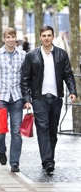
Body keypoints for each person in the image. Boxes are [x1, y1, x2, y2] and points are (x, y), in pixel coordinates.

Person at [21, 25, 77, 175]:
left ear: (53, 36)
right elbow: (25, 79)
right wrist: (27, 99)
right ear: (40, 37)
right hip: (39, 98)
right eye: (44, 35)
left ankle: (48, 158)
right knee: (43, 128)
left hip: (56, 98)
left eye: (49, 35)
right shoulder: (31, 55)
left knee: (52, 131)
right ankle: (48, 162)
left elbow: (68, 75)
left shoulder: (61, 54)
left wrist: (72, 91)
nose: (46, 38)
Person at [0, 27, 26, 172]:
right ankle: (2, 149)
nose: (11, 39)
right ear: (4, 38)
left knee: (16, 131)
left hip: (17, 98)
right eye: (8, 37)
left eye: (13, 36)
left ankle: (15, 162)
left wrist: (26, 97)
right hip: (1, 97)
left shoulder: (23, 55)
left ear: (16, 38)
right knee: (0, 132)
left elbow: (25, 76)